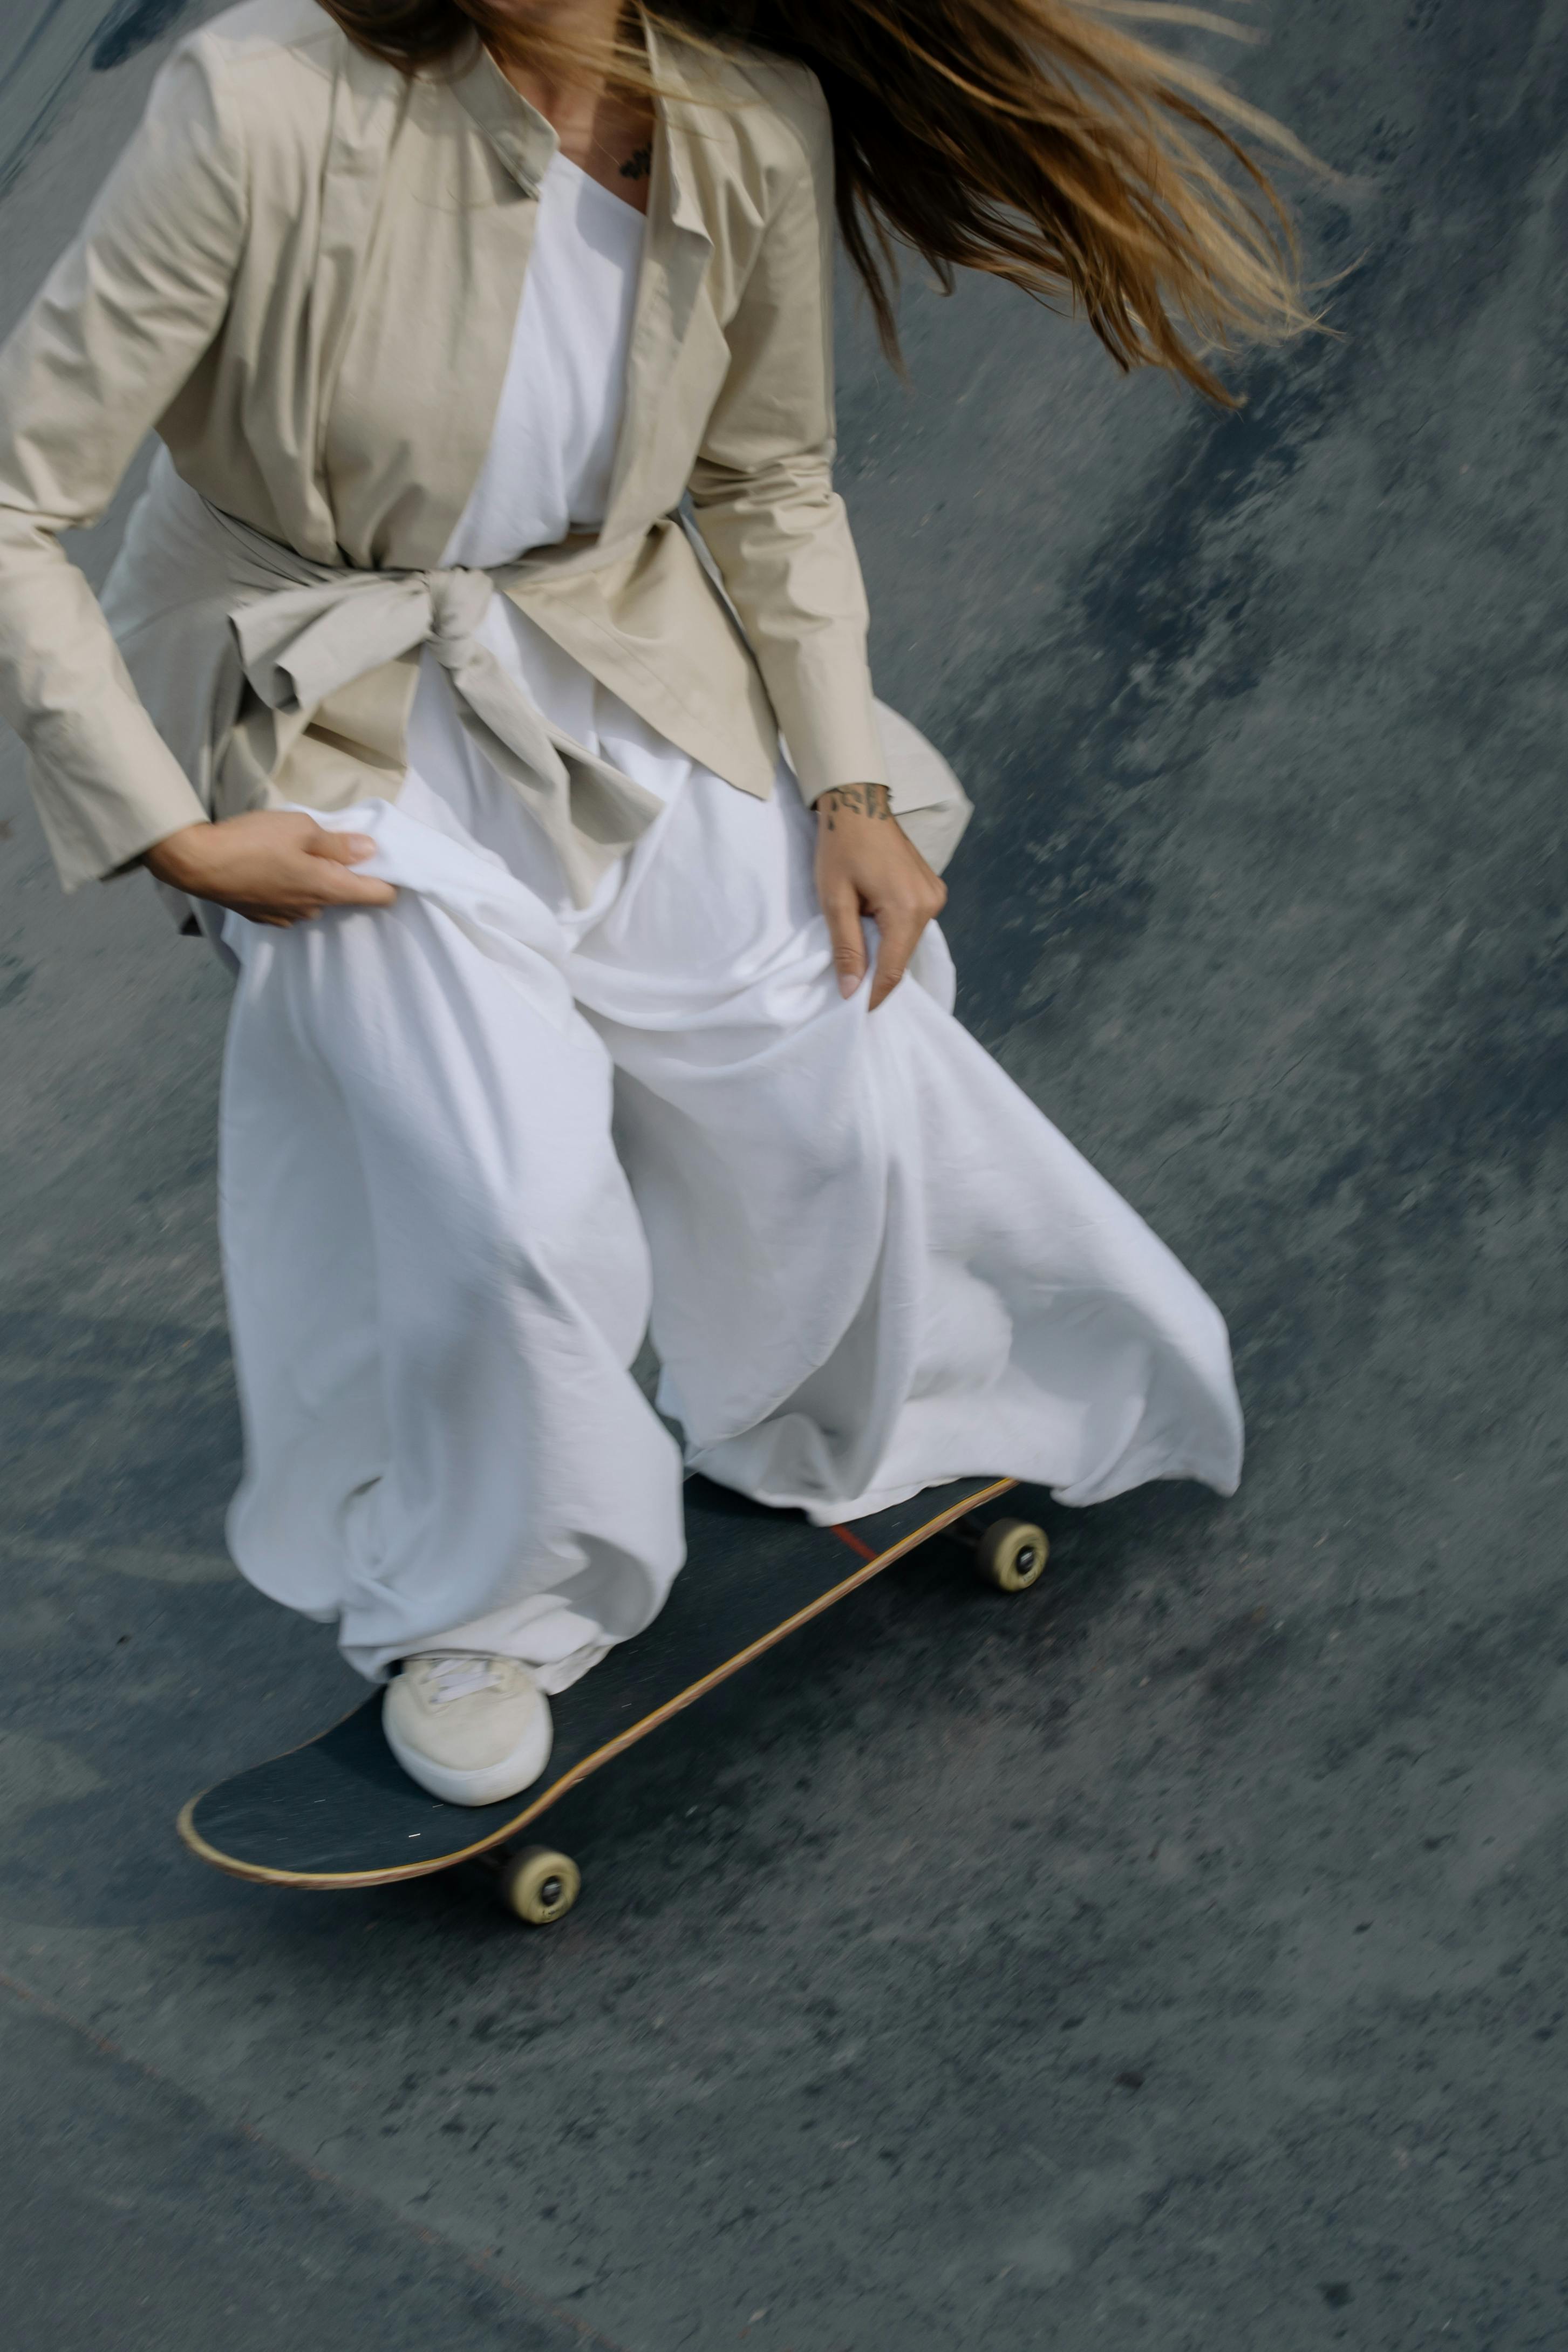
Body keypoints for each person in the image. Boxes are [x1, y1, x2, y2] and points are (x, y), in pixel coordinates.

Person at [0, 0, 1305, 1805]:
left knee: (830, 1058)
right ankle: (488, 1604)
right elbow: (14, 497)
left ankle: (845, 1411)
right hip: (329, 704)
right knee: (511, 1196)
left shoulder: (744, 116)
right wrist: (162, 827)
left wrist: (847, 789)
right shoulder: (264, 97)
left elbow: (766, 479)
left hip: (603, 652)